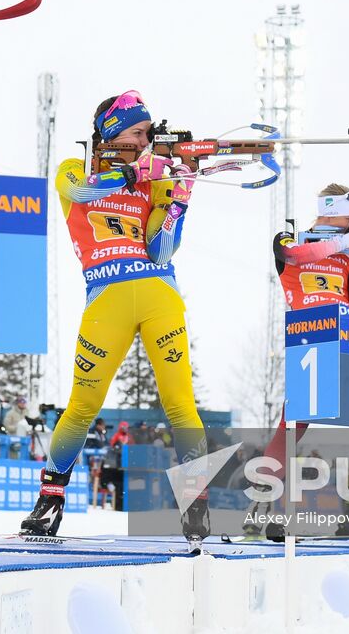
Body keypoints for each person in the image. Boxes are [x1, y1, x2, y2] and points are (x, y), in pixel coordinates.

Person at [21, 91, 208, 540]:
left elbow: (162, 249)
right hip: (106, 297)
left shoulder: (152, 180)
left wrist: (178, 196)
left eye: (149, 134)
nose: (147, 140)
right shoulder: (77, 167)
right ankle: (51, 499)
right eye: (138, 132)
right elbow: (77, 192)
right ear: (112, 132)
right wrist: (131, 172)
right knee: (82, 405)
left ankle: (196, 504)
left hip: (160, 293)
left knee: (180, 404)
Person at [256, 184, 349, 539]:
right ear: (333, 210)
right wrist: (343, 243)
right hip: (314, 334)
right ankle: (259, 509)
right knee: (292, 426)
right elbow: (298, 257)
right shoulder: (291, 238)